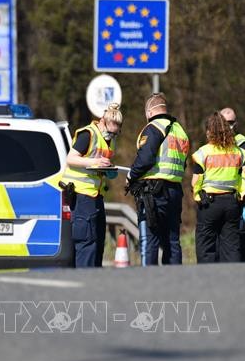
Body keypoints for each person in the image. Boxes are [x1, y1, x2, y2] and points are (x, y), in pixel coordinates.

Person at [126, 93, 189, 265]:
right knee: (172, 240)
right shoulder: (180, 131)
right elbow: (183, 164)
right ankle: (173, 280)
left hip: (153, 192)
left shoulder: (154, 127)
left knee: (150, 239)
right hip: (175, 191)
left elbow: (145, 159)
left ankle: (149, 281)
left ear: (149, 112)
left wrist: (130, 176)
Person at [62, 103, 123, 268]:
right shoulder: (88, 134)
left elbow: (98, 168)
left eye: (115, 133)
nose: (112, 135)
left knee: (97, 242)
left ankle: (95, 279)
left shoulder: (110, 140)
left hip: (96, 196)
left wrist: (109, 170)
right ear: (103, 121)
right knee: (87, 243)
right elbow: (71, 158)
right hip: (82, 196)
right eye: (110, 131)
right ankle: (85, 281)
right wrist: (95, 161)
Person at [191, 112, 245, 263]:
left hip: (209, 204)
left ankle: (208, 280)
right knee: (231, 245)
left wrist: (198, 196)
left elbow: (195, 182)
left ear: (209, 132)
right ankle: (232, 279)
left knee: (206, 246)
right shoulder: (238, 152)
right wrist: (242, 197)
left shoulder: (203, 152)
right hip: (232, 203)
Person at [220, 107, 245, 262]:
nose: (229, 126)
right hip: (225, 200)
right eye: (225, 122)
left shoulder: (244, 145)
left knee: (243, 244)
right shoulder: (218, 145)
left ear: (236, 123)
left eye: (231, 122)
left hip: (243, 200)